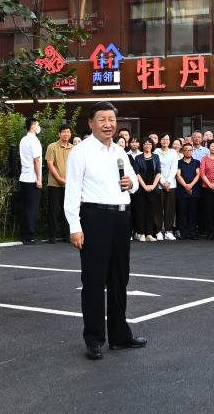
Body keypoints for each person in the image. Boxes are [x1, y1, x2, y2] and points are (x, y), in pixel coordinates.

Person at [64, 102, 146, 361]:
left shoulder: (120, 151)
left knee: (120, 277)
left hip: (121, 218)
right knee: (94, 279)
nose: (108, 124)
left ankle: (120, 336)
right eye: (102, 119)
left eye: (111, 119)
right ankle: (94, 338)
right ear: (91, 123)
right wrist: (75, 226)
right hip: (94, 217)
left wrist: (130, 183)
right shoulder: (81, 151)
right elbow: (72, 190)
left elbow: (134, 185)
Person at [44, 124, 74, 243]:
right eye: (64, 132)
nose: (66, 134)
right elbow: (50, 164)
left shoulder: (73, 148)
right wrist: (59, 178)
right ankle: (52, 236)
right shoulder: (52, 147)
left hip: (69, 185)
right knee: (54, 210)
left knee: (67, 210)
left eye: (68, 132)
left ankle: (67, 235)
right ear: (59, 134)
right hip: (55, 184)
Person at [18, 118, 43, 244]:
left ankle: (24, 234)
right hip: (32, 178)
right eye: (38, 124)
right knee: (32, 209)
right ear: (33, 126)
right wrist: (39, 179)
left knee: (25, 208)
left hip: (24, 177)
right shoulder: (34, 141)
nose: (39, 127)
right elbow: (37, 160)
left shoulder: (23, 140)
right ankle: (29, 236)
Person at [132, 139, 161, 242]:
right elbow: (137, 174)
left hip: (153, 188)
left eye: (149, 144)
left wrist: (153, 186)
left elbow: (158, 172)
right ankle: (142, 234)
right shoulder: (138, 157)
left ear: (152, 145)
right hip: (141, 189)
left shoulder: (156, 157)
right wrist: (144, 186)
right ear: (142, 145)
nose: (147, 145)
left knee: (150, 211)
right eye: (145, 144)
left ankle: (149, 233)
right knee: (140, 211)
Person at [154, 134, 178, 240]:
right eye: (163, 139)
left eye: (167, 139)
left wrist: (168, 182)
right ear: (160, 141)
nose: (165, 141)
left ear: (170, 141)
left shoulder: (173, 152)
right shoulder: (156, 152)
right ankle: (158, 231)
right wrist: (163, 182)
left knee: (170, 209)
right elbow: (157, 168)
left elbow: (174, 168)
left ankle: (168, 231)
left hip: (171, 184)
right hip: (159, 184)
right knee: (158, 208)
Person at [175, 144, 201, 240]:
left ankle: (192, 232)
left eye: (190, 150)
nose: (188, 151)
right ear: (182, 151)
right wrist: (186, 186)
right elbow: (178, 175)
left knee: (193, 213)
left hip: (194, 191)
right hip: (182, 191)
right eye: (186, 150)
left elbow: (198, 175)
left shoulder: (197, 162)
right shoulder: (179, 162)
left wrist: (190, 185)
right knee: (182, 212)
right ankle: (183, 233)